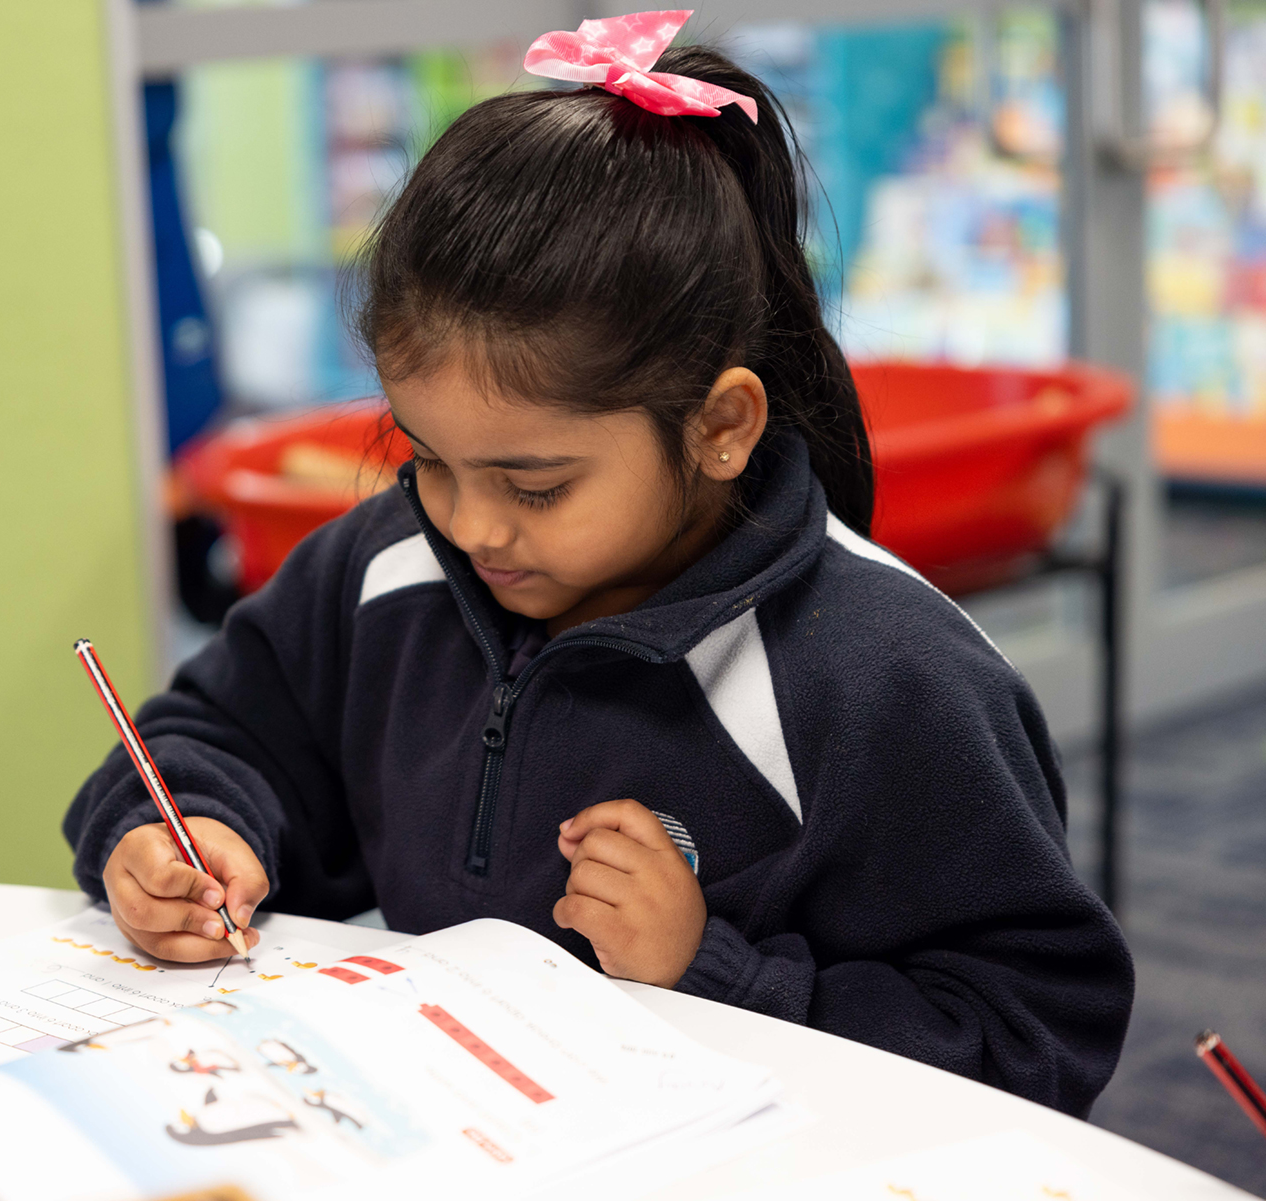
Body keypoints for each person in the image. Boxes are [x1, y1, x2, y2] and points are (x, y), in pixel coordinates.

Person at [65, 15, 1133, 1117]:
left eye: (535, 487)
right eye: (427, 459)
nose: (472, 529)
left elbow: (1035, 1034)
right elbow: (220, 736)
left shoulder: (885, 676)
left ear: (720, 425)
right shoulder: (384, 565)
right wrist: (188, 830)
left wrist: (715, 971)